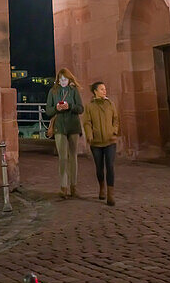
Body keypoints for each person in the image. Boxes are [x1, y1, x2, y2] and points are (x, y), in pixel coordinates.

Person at [45, 67, 84, 199]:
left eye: (65, 79)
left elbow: (81, 108)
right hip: (59, 127)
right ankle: (63, 186)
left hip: (73, 126)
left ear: (69, 79)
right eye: (61, 79)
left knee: (73, 156)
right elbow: (48, 111)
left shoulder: (74, 91)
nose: (63, 81)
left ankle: (74, 186)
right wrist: (56, 108)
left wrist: (70, 106)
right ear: (58, 80)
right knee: (62, 158)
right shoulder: (53, 91)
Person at [82, 80, 119, 205]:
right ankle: (102, 187)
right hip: (96, 142)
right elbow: (87, 122)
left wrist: (114, 131)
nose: (104, 91)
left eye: (105, 89)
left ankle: (110, 194)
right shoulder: (90, 106)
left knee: (110, 166)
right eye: (102, 89)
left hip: (110, 140)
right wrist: (90, 135)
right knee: (99, 167)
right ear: (95, 91)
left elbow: (115, 119)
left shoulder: (110, 104)